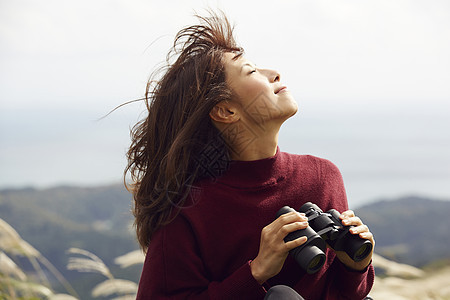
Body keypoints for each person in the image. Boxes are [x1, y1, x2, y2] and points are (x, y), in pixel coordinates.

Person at [125, 11, 375, 300]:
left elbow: (344, 294)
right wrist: (256, 271)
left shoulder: (322, 176)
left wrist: (356, 266)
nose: (275, 73)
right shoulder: (187, 210)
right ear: (225, 111)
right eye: (252, 71)